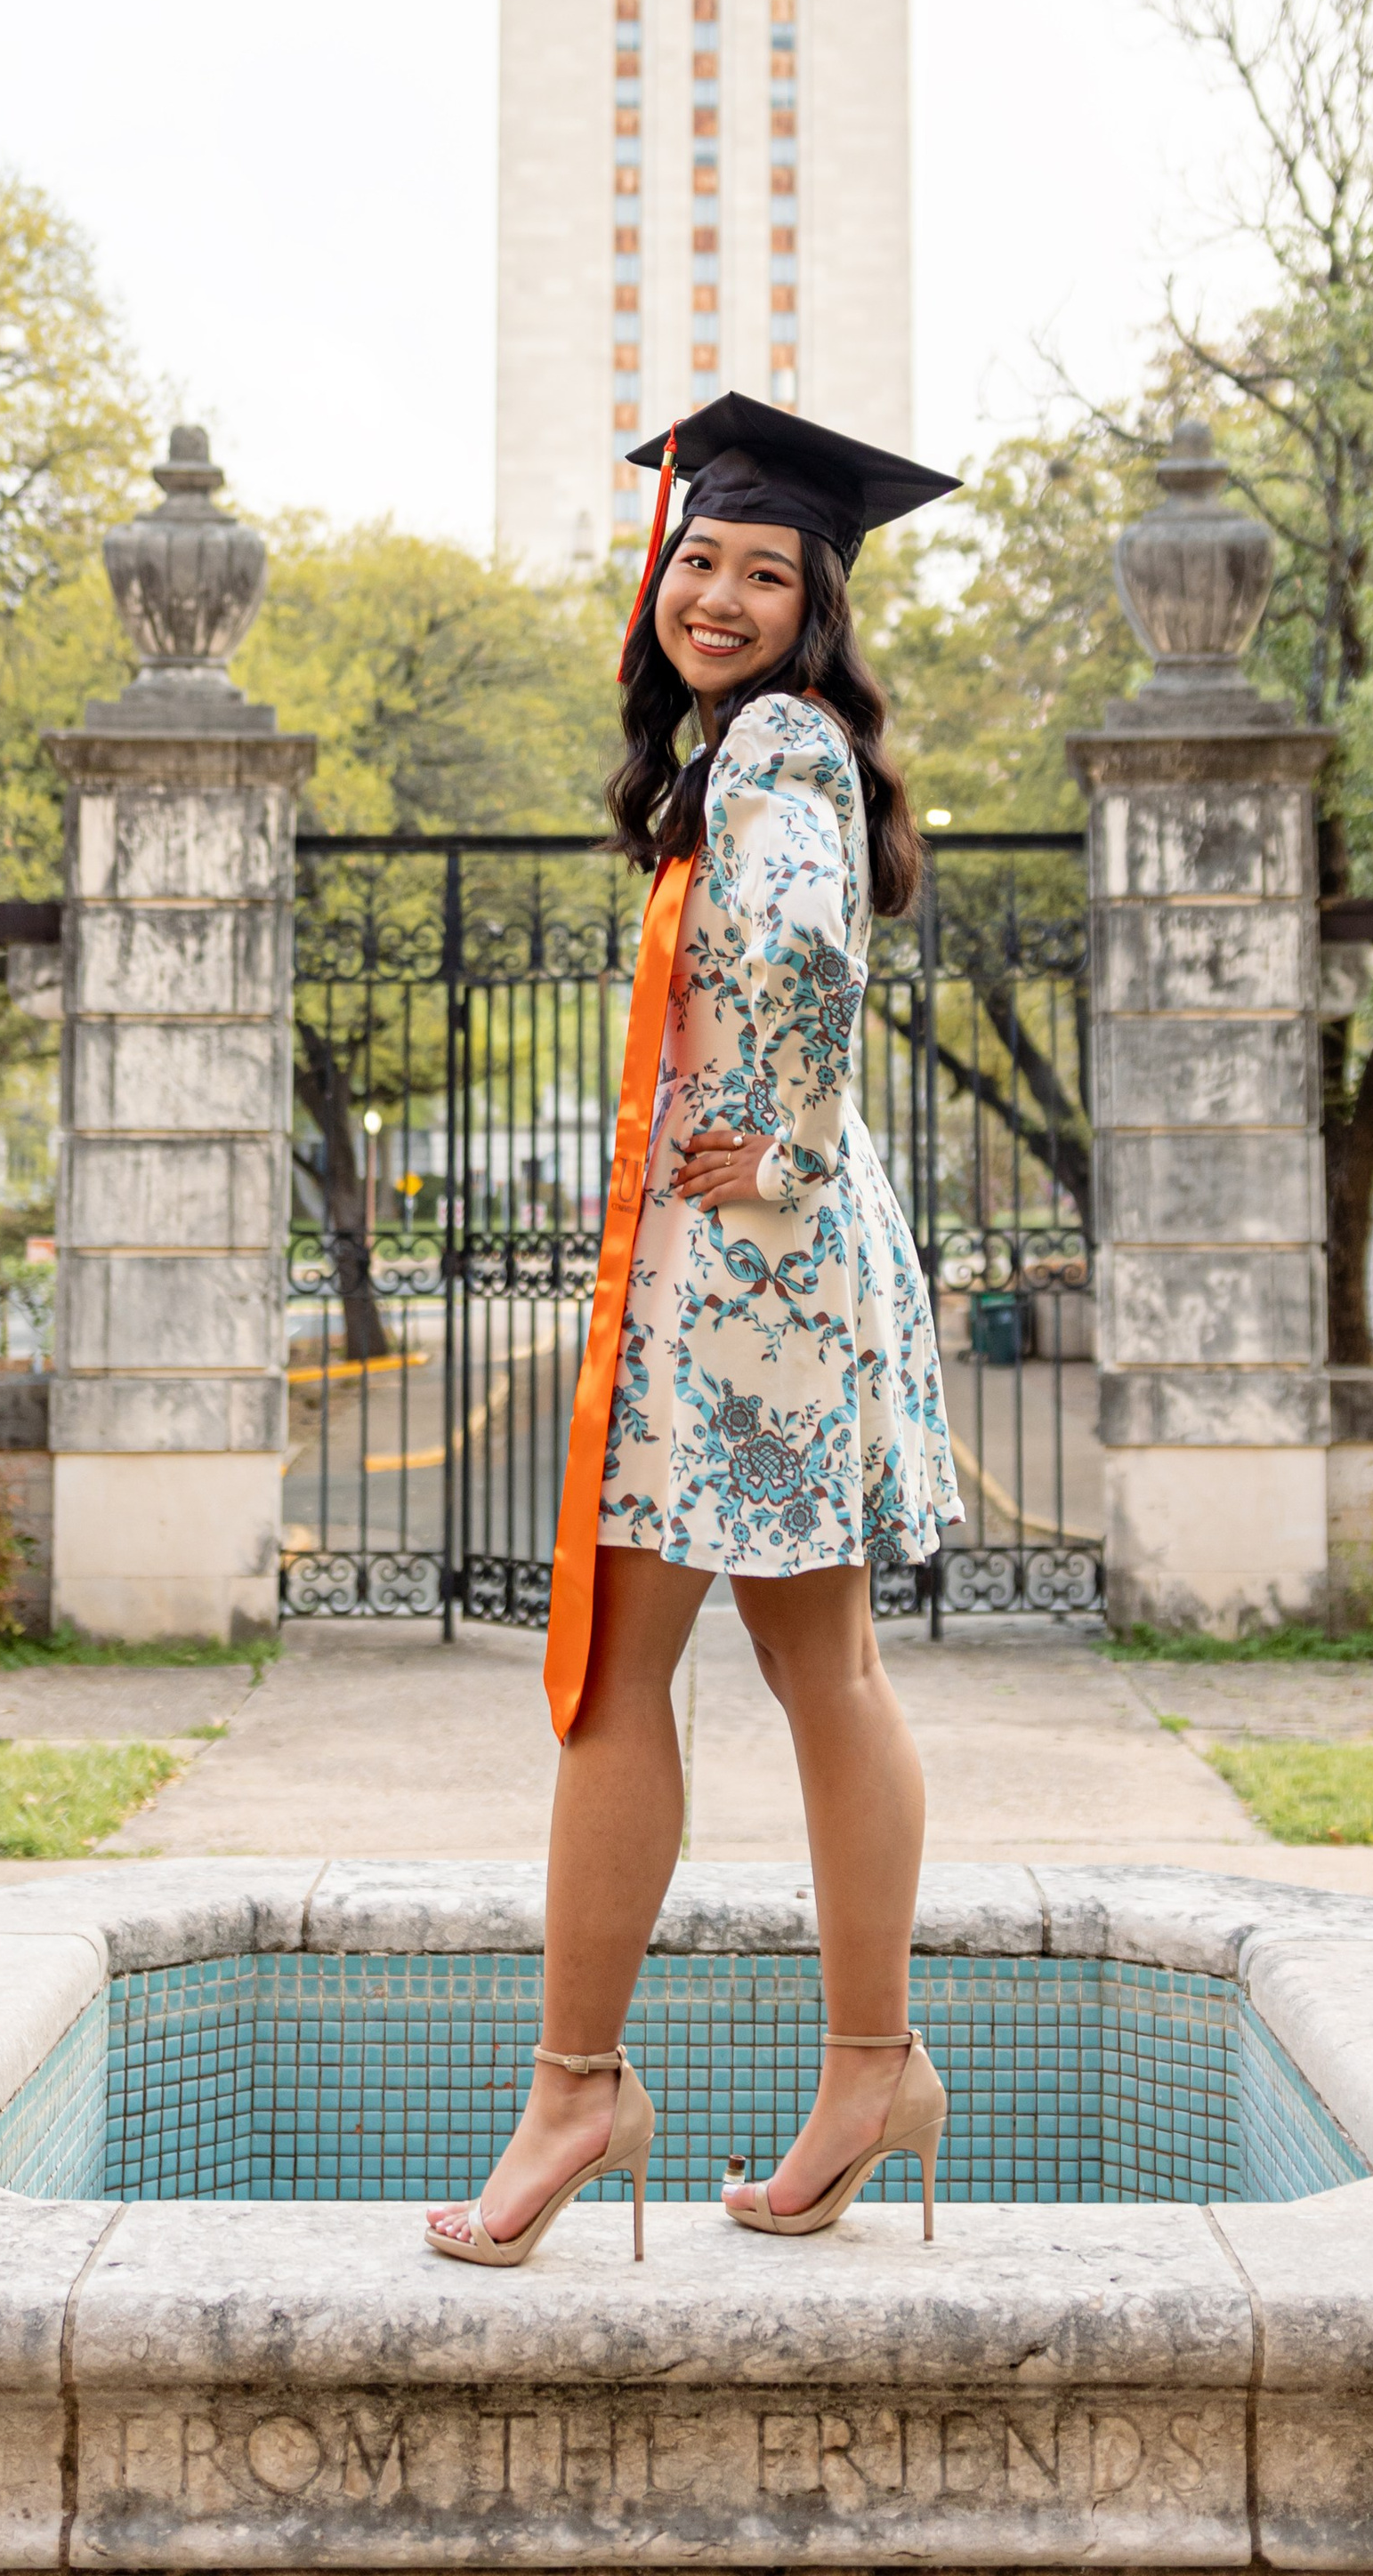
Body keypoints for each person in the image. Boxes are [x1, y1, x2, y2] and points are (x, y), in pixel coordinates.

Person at [425, 392, 964, 2268]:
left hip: (748, 1284)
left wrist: (776, 1148)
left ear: (812, 605)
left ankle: (585, 2084)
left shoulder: (773, 752)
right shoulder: (747, 756)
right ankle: (864, 2072)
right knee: (822, 1677)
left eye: (762, 572)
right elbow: (795, 961)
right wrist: (775, 1157)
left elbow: (813, 958)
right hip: (766, 1272)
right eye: (697, 561)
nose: (716, 596)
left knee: (615, 1676)